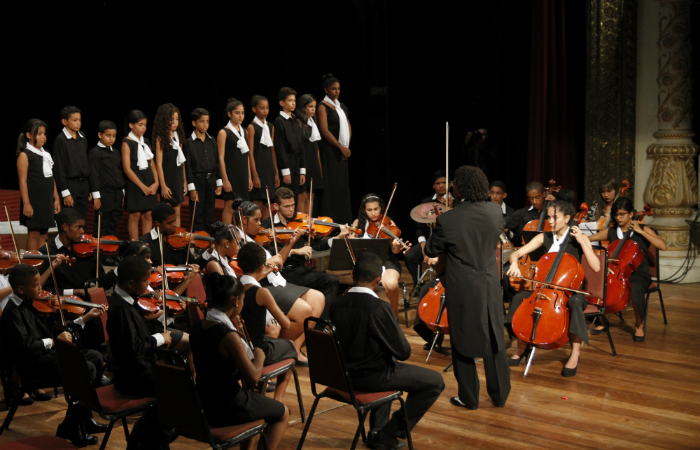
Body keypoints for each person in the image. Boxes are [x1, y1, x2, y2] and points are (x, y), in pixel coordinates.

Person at [330, 253, 444, 449]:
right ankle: (388, 433)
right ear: (378, 280)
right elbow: (403, 352)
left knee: (384, 359)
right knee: (434, 382)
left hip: (340, 375)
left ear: (351, 274)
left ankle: (377, 430)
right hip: (370, 378)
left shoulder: (335, 304)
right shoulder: (379, 307)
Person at [424, 165, 510, 409]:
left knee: (462, 340)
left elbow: (431, 250)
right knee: (494, 336)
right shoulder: (495, 211)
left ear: (458, 189)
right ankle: (500, 394)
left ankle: (469, 397)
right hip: (490, 283)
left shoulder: (448, 219)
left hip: (462, 285)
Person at [1, 263, 107, 447]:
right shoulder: (12, 312)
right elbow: (25, 346)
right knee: (85, 368)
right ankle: (72, 426)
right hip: (32, 366)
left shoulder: (30, 303)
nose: (41, 288)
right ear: (21, 289)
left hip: (45, 357)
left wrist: (85, 318)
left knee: (95, 357)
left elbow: (56, 330)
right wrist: (54, 341)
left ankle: (84, 419)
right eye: (36, 285)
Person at [190, 272, 290, 450]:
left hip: (203, 402)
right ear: (236, 300)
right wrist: (259, 355)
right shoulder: (228, 336)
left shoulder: (198, 327)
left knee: (256, 406)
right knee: (283, 413)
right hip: (228, 405)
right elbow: (254, 377)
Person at [505, 198, 600, 377]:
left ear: (567, 218)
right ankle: (521, 347)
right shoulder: (544, 237)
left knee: (574, 303)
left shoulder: (578, 238)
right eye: (549, 217)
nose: (551, 221)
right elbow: (516, 253)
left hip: (570, 291)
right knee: (518, 298)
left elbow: (596, 266)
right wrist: (514, 264)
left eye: (555, 217)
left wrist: (583, 242)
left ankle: (575, 353)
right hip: (545, 289)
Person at [236, 200, 323, 364]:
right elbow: (248, 277)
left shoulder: (256, 240)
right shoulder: (241, 243)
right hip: (264, 286)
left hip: (278, 281)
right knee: (304, 311)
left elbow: (279, 261)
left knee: (318, 298)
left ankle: (295, 347)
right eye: (256, 220)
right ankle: (280, 349)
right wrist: (269, 264)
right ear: (244, 221)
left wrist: (290, 242)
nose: (260, 224)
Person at [106, 256, 177, 449]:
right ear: (131, 283)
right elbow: (134, 347)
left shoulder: (128, 300)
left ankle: (145, 440)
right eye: (145, 281)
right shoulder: (120, 307)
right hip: (132, 376)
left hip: (140, 369)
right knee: (178, 391)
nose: (148, 285)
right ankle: (146, 441)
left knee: (176, 386)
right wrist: (160, 338)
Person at [587, 197, 666, 341]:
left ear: (631, 214)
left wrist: (641, 232)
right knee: (592, 282)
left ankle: (639, 325)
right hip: (616, 272)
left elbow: (662, 245)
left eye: (622, 214)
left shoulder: (642, 229)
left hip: (639, 273)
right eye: (616, 214)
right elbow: (589, 239)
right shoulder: (611, 232)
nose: (618, 218)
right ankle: (601, 320)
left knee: (636, 286)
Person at [263, 187, 347, 322]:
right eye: (287, 206)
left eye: (293, 205)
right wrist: (295, 250)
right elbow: (271, 252)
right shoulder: (268, 224)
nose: (291, 210)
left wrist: (337, 239)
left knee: (332, 281)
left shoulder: (301, 221)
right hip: (284, 274)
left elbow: (317, 245)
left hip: (303, 270)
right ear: (276, 206)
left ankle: (320, 324)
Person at [237, 243, 298, 401]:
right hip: (258, 349)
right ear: (260, 266)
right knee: (290, 347)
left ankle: (260, 396)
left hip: (239, 347)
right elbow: (286, 324)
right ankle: (276, 401)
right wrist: (282, 314)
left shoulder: (235, 287)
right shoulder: (262, 292)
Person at [350, 193, 409, 318]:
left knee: (392, 284)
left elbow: (394, 251)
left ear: (381, 208)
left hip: (386, 259)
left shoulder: (388, 222)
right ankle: (367, 315)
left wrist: (397, 246)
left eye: (376, 209)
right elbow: (351, 244)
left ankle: (394, 314)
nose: (373, 213)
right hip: (365, 261)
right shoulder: (358, 223)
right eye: (369, 210)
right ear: (364, 210)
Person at [17, 118, 60, 250]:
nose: (43, 137)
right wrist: (26, 203)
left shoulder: (45, 155)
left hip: (46, 199)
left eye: (44, 134)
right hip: (34, 200)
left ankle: (43, 263)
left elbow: (50, 178)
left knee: (44, 233)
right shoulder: (25, 155)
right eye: (39, 133)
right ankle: (31, 265)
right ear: (29, 135)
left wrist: (56, 198)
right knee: (34, 232)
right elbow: (22, 181)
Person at [404, 170, 452, 287]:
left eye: (444, 182)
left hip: (449, 242)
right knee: (409, 256)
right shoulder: (426, 202)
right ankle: (419, 287)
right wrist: (423, 247)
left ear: (450, 185)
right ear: (433, 186)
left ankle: (447, 287)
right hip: (431, 242)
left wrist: (450, 207)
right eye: (438, 183)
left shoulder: (455, 202)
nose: (441, 185)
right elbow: (419, 229)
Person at [317, 73, 352, 224]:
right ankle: (330, 222)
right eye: (333, 89)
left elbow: (348, 125)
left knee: (342, 187)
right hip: (330, 151)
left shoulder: (341, 106)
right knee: (332, 186)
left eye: (338, 89)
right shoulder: (323, 107)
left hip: (342, 151)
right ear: (326, 90)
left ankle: (343, 220)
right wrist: (339, 147)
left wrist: (346, 147)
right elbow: (324, 130)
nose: (336, 92)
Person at [122, 110, 158, 240]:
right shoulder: (127, 142)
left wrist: (156, 182)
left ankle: (146, 245)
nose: (143, 128)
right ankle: (135, 246)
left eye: (145, 125)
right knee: (135, 215)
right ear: (131, 125)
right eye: (140, 125)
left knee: (148, 214)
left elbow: (152, 164)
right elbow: (127, 168)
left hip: (149, 181)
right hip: (135, 184)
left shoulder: (146, 142)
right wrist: (141, 186)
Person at [185, 107, 223, 233]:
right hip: (197, 180)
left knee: (209, 212)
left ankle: (210, 241)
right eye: (201, 121)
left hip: (211, 179)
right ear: (194, 123)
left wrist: (219, 182)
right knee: (197, 213)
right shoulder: (189, 142)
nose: (205, 124)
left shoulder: (211, 140)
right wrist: (192, 188)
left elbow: (217, 161)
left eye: (207, 121)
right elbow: (188, 166)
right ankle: (198, 242)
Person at [52, 105, 91, 221]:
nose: (78, 123)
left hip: (83, 185)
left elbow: (85, 162)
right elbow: (59, 167)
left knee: (82, 219)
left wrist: (88, 187)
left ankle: (80, 240)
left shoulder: (82, 137)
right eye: (75, 120)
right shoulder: (61, 140)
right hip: (70, 185)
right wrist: (65, 192)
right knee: (70, 220)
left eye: (79, 120)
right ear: (64, 121)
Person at [87, 120, 125, 239]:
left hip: (117, 193)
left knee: (114, 223)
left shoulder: (116, 153)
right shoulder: (95, 153)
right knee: (102, 223)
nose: (111, 139)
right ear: (100, 135)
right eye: (108, 135)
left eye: (114, 136)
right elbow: (94, 174)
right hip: (104, 193)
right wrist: (96, 196)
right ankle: (101, 253)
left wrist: (122, 193)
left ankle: (111, 252)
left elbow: (119, 172)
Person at [153, 103, 188, 227]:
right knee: (167, 213)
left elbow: (181, 161)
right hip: (167, 178)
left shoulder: (179, 137)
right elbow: (158, 163)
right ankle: (166, 238)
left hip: (177, 177)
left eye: (177, 119)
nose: (175, 122)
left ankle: (176, 238)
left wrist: (184, 181)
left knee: (177, 211)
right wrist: (163, 185)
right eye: (171, 119)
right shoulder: (161, 138)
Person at [219, 98, 252, 224]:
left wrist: (249, 176)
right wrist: (225, 179)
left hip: (242, 175)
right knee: (229, 207)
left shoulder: (244, 131)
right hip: (231, 175)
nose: (240, 116)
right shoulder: (224, 132)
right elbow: (221, 158)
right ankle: (227, 235)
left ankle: (239, 236)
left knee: (241, 208)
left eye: (242, 113)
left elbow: (246, 155)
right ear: (229, 114)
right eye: (237, 113)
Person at [247, 95, 280, 219]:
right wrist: (255, 175)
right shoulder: (251, 127)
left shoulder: (270, 126)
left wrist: (276, 172)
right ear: (254, 109)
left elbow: (272, 150)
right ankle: (255, 230)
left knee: (268, 202)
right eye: (262, 108)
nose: (265, 111)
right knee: (257, 202)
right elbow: (250, 152)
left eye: (267, 108)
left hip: (269, 169)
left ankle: (266, 232)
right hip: (258, 169)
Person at [273, 87, 306, 206]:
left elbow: (301, 145)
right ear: (282, 103)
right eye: (290, 100)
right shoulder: (279, 122)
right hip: (287, 165)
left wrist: (302, 169)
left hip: (297, 164)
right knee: (287, 198)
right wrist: (285, 171)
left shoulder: (296, 121)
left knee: (295, 197)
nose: (293, 103)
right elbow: (280, 147)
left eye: (294, 100)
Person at [296, 94, 324, 215]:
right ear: (303, 107)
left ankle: (309, 226)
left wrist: (319, 167)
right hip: (304, 162)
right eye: (310, 106)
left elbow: (316, 148)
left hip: (313, 163)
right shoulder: (299, 122)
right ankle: (301, 226)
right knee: (302, 195)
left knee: (311, 195)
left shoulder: (314, 123)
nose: (313, 109)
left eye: (314, 106)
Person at [138, 202, 188, 267]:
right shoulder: (145, 242)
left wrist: (205, 255)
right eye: (170, 223)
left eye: (175, 221)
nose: (175, 225)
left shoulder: (180, 240)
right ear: (157, 224)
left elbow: (195, 264)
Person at [504, 181, 548, 247]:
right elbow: (500, 223)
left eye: (537, 197)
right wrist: (505, 241)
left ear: (544, 194)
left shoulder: (552, 211)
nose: (534, 201)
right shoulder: (522, 213)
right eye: (531, 198)